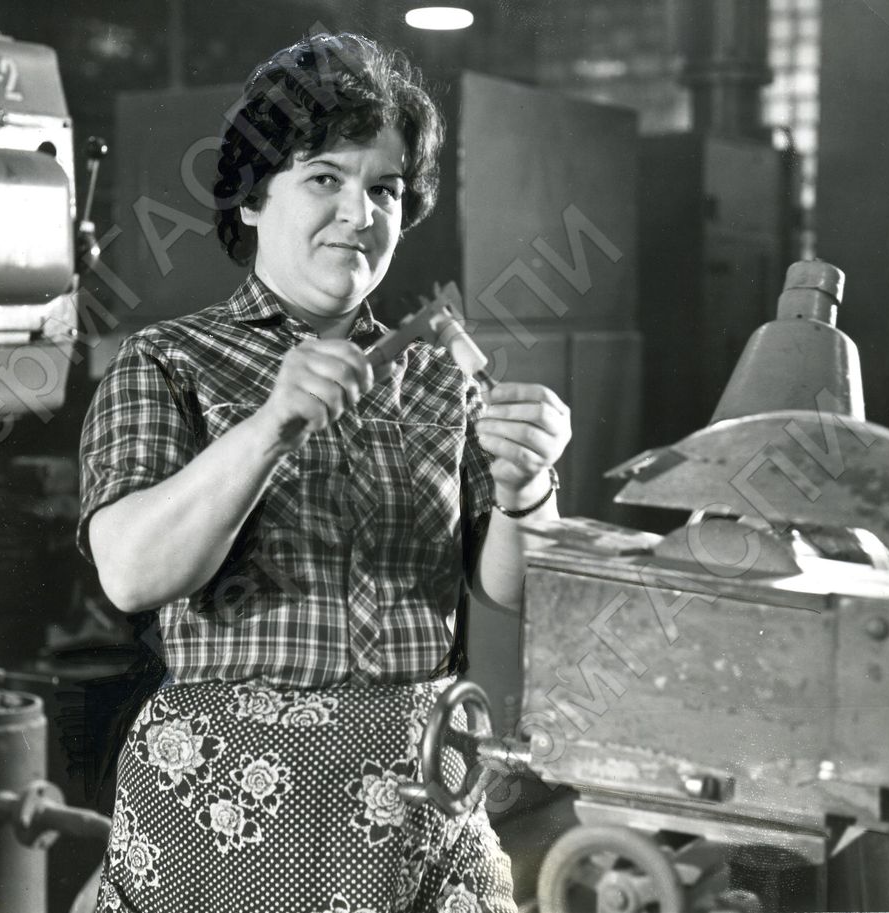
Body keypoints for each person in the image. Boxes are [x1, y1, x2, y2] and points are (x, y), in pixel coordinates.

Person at [78, 32, 570, 913]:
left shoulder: (439, 372)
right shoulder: (170, 362)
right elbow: (131, 573)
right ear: (252, 198)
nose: (360, 212)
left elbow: (513, 587)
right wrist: (270, 426)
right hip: (226, 811)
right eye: (324, 178)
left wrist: (527, 486)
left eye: (384, 188)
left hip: (422, 794)